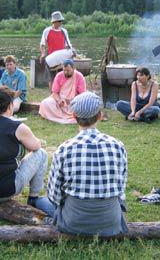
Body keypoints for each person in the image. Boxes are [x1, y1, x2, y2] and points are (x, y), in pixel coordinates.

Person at [47, 91, 128, 236]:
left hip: (72, 223)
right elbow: (121, 190)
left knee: (46, 202)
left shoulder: (64, 149)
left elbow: (54, 196)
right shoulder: (118, 146)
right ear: (100, 115)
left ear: (74, 116)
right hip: (110, 223)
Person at [0, 86, 53, 215]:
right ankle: (33, 198)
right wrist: (36, 142)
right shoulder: (18, 127)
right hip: (2, 192)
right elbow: (36, 146)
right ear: (10, 105)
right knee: (41, 154)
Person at [39, 59, 86, 124]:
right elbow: (54, 92)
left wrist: (73, 100)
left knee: (83, 106)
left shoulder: (79, 76)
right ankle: (59, 116)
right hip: (61, 101)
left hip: (74, 101)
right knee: (45, 103)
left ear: (73, 68)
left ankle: (61, 116)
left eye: (68, 70)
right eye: (64, 70)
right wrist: (59, 100)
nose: (66, 72)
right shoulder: (59, 75)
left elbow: (82, 94)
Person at [40, 11, 73, 90]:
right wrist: (43, 53)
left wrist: (71, 52)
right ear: (54, 21)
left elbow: (68, 45)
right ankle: (52, 95)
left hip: (62, 58)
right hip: (51, 58)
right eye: (59, 21)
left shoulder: (64, 32)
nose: (61, 23)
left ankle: (62, 94)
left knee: (63, 76)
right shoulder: (47, 31)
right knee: (51, 78)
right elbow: (42, 44)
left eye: (61, 21)